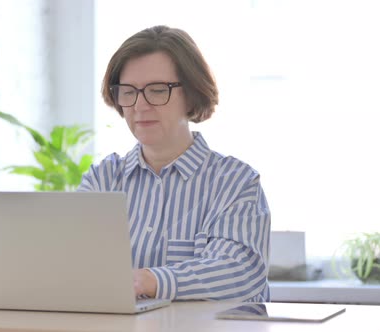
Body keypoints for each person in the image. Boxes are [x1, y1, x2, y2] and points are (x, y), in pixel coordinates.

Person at [78, 25, 271, 302]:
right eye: (128, 91)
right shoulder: (102, 180)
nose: (140, 106)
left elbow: (238, 272)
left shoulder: (236, 182)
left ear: (191, 94)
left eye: (157, 91)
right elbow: (74, 268)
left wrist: (152, 280)